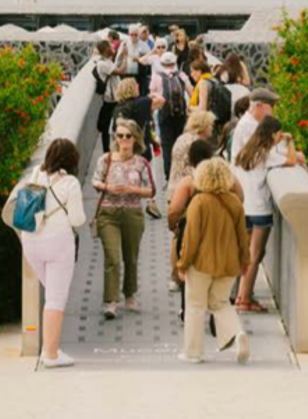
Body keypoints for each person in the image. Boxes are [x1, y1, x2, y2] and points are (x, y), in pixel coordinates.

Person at [174, 159, 250, 363]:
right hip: (229, 263)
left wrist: (182, 264)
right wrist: (245, 262)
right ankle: (237, 333)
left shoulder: (198, 202)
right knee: (221, 303)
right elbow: (243, 237)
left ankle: (193, 353)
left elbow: (191, 238)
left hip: (200, 264)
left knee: (195, 306)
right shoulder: (235, 202)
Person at [18, 138, 86, 368]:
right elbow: (77, 220)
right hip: (58, 244)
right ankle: (51, 354)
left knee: (52, 295)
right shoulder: (71, 184)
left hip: (31, 241)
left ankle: (51, 346)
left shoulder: (36, 173)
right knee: (55, 300)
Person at [234, 115, 301, 311]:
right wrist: (290, 141)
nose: (280, 137)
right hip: (260, 210)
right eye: (278, 134)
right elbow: (292, 160)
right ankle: (245, 300)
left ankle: (240, 295)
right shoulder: (266, 154)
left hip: (244, 208)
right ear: (272, 133)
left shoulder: (247, 151)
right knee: (256, 255)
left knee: (246, 254)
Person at [92, 121, 155, 318]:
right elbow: (95, 180)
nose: (123, 140)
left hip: (133, 213)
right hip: (108, 214)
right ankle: (111, 301)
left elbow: (151, 190)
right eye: (119, 136)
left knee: (131, 257)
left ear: (135, 138)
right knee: (112, 257)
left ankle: (129, 295)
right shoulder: (106, 159)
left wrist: (132, 189)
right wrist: (107, 187)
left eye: (128, 136)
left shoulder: (141, 163)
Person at [152, 50, 191, 185]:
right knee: (179, 144)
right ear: (175, 62)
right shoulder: (181, 75)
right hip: (180, 115)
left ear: (162, 63)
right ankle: (180, 175)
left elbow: (152, 95)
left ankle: (168, 177)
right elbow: (191, 92)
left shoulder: (157, 76)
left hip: (165, 114)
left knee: (167, 145)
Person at [169, 107, 218, 190]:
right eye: (210, 125)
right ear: (203, 125)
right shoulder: (197, 143)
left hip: (174, 186)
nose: (212, 128)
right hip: (188, 188)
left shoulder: (182, 138)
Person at [231, 87, 280, 163]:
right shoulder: (249, 125)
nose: (273, 112)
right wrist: (290, 158)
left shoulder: (251, 121)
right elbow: (259, 154)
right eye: (272, 106)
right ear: (259, 105)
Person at [92, 37, 121, 153]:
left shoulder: (107, 61)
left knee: (109, 126)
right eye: (110, 46)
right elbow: (121, 71)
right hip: (111, 100)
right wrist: (124, 55)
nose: (112, 47)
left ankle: (110, 150)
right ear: (105, 49)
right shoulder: (103, 64)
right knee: (108, 127)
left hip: (113, 99)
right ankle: (107, 151)